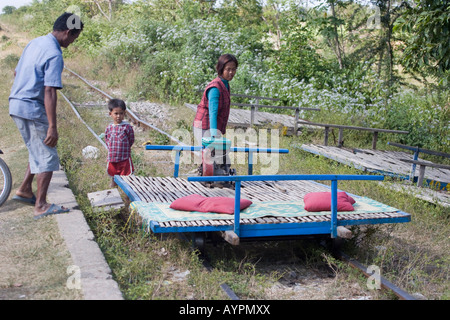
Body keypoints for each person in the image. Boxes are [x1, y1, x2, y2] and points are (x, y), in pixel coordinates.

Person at [9, 12, 83, 220]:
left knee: (37, 149)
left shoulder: (35, 43)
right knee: (48, 155)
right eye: (73, 38)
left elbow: (16, 73)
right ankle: (40, 205)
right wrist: (52, 126)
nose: (72, 42)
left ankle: (24, 189)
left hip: (16, 103)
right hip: (31, 108)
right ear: (68, 32)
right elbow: (49, 91)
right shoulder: (54, 53)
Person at [193, 54, 238, 146]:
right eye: (228, 69)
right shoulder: (215, 88)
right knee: (211, 156)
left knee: (221, 157)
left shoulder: (225, 84)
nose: (231, 72)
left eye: (233, 69)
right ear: (221, 69)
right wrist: (214, 136)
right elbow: (213, 113)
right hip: (204, 127)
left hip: (214, 128)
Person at [105, 99, 135, 187]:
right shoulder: (109, 128)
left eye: (121, 113)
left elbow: (131, 140)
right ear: (110, 114)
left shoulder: (127, 127)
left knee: (126, 179)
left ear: (124, 114)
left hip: (124, 158)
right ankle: (114, 194)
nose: (118, 116)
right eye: (116, 113)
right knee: (113, 177)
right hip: (112, 159)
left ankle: (126, 196)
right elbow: (107, 140)